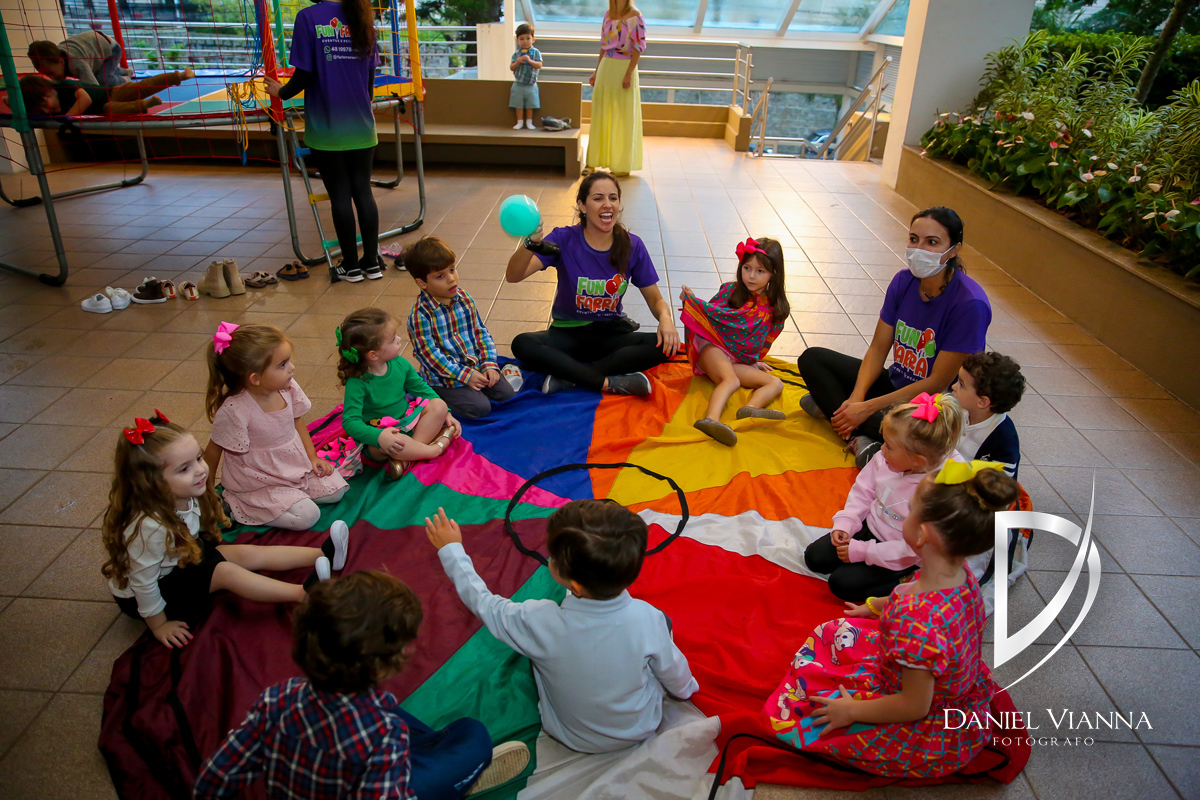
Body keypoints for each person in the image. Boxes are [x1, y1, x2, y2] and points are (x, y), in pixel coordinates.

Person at [764, 462, 1019, 778]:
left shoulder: (917, 624)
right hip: (946, 681)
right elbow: (911, 590)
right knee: (837, 630)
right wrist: (875, 606)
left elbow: (913, 706)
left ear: (922, 534)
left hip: (923, 720)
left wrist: (851, 711)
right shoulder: (960, 574)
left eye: (910, 511)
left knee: (802, 717)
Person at [193, 571, 532, 799]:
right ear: (389, 659)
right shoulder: (381, 734)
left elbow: (218, 775)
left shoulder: (278, 698)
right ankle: (452, 784)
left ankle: (435, 763)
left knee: (398, 717)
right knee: (474, 736)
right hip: (387, 780)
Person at [426, 500, 699, 754]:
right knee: (661, 630)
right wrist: (686, 690)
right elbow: (675, 674)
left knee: (535, 648)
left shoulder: (537, 620)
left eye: (553, 557)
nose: (549, 559)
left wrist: (451, 550)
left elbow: (483, 602)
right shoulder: (648, 617)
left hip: (572, 736)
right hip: (640, 728)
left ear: (576, 586)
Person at [102, 411, 349, 649]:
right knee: (224, 571)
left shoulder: (181, 493)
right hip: (150, 595)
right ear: (152, 483)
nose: (200, 470)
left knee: (240, 552)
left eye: (198, 459)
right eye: (184, 469)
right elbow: (143, 584)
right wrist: (159, 625)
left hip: (178, 559)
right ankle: (302, 595)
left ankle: (322, 554)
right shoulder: (149, 527)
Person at [797, 207, 991, 467]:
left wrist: (866, 408)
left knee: (914, 435)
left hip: (931, 408)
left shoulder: (970, 304)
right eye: (914, 239)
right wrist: (857, 398)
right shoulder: (903, 281)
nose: (918, 249)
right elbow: (878, 349)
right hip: (896, 385)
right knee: (813, 359)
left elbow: (937, 383)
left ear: (954, 250)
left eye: (932, 242)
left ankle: (845, 418)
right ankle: (861, 428)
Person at [508, 172, 680, 397]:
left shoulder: (632, 245)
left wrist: (666, 319)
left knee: (665, 345)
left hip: (610, 333)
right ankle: (606, 382)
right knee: (522, 344)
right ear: (582, 205)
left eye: (613, 198)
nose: (607, 204)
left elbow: (656, 299)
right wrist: (530, 244)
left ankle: (569, 376)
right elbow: (514, 275)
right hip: (567, 334)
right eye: (598, 198)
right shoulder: (563, 238)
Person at [804, 393, 966, 603]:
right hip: (872, 525)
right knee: (815, 558)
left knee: (841, 584)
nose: (881, 449)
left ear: (917, 460)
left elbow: (913, 548)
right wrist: (847, 523)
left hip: (903, 551)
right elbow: (863, 490)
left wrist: (864, 551)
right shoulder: (887, 458)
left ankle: (908, 579)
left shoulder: (941, 490)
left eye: (889, 446)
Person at [265, 0, 384, 283]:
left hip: (327, 125)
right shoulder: (363, 15)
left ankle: (351, 267)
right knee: (363, 192)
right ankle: (371, 263)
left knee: (340, 195)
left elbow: (305, 73)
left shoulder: (308, 17)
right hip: (361, 124)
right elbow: (369, 79)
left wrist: (281, 92)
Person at [203, 322, 348, 531]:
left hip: (295, 468)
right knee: (308, 516)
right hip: (260, 482)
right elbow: (214, 450)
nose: (292, 367)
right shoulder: (235, 410)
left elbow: (298, 421)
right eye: (282, 364)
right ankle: (237, 505)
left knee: (337, 489)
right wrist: (207, 494)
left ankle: (291, 497)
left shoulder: (287, 386)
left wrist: (312, 457)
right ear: (255, 378)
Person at [679, 236, 790, 446]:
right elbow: (710, 315)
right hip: (712, 348)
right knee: (731, 381)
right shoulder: (730, 290)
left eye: (760, 271)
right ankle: (710, 420)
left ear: (774, 274)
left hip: (737, 359)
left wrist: (753, 359)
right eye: (747, 268)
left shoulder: (774, 307)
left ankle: (751, 409)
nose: (751, 276)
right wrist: (692, 300)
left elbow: (764, 338)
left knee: (775, 383)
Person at [337, 307, 461, 480]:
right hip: (382, 432)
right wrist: (379, 436)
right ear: (373, 355)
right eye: (393, 339)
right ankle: (433, 450)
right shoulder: (357, 383)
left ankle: (407, 457)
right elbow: (350, 422)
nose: (399, 339)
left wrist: (446, 412)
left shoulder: (400, 363)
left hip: (407, 420)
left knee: (439, 405)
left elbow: (422, 389)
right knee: (382, 447)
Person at [405, 236, 516, 420]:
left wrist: (488, 364)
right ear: (422, 283)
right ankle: (435, 395)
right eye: (440, 276)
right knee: (481, 408)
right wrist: (465, 375)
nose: (451, 279)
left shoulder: (464, 299)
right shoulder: (420, 316)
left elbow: (480, 333)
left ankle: (476, 387)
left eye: (452, 269)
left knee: (506, 394)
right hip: (445, 379)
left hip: (474, 366)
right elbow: (430, 356)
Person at [585, 0, 646, 175]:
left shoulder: (635, 15)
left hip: (624, 67)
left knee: (622, 116)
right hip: (606, 67)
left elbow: (638, 48)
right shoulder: (608, 14)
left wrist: (628, 74)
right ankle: (592, 162)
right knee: (600, 114)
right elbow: (603, 47)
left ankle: (621, 165)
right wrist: (596, 71)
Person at [950, 351, 1025, 479]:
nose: (953, 386)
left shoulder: (1003, 436)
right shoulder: (957, 410)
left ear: (982, 402)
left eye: (961, 384)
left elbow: (1001, 482)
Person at [19, 70, 193, 116]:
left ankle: (178, 76)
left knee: (142, 87)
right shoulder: (52, 108)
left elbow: (85, 99)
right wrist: (10, 98)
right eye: (41, 110)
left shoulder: (64, 86)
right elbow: (10, 100)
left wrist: (68, 117)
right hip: (103, 108)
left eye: (44, 104)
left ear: (49, 91)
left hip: (110, 92)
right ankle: (145, 105)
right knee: (112, 109)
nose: (45, 111)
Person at [27, 33, 133, 87]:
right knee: (99, 70)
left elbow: (94, 89)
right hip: (95, 48)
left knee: (103, 80)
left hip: (111, 48)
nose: (51, 77)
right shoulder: (57, 57)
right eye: (46, 75)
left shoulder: (77, 64)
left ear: (61, 61)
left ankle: (126, 79)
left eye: (51, 73)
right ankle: (124, 71)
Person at [509, 23, 543, 130]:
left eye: (528, 38)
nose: (525, 41)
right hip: (518, 83)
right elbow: (512, 67)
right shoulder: (516, 54)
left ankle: (529, 122)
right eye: (522, 39)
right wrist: (517, 62)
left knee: (530, 105)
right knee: (518, 104)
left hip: (531, 84)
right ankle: (519, 122)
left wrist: (530, 61)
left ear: (533, 39)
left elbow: (539, 65)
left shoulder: (536, 52)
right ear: (518, 40)